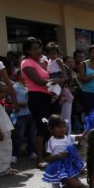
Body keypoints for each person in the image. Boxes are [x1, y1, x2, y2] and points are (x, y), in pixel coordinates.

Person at [21, 37, 61, 169]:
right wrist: (54, 81)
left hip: (50, 96)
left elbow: (57, 73)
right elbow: (38, 81)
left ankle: (49, 155)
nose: (37, 51)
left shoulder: (44, 60)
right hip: (37, 97)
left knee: (52, 127)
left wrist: (60, 79)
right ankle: (39, 159)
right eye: (33, 49)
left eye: (38, 47)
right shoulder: (26, 63)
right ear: (27, 50)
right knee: (42, 128)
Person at [41, 114, 85, 188]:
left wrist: (90, 125)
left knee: (81, 182)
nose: (62, 129)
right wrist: (59, 156)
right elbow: (46, 158)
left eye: (64, 126)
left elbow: (82, 136)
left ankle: (68, 179)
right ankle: (62, 179)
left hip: (70, 163)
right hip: (59, 166)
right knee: (76, 186)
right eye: (59, 127)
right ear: (51, 129)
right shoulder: (50, 141)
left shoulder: (69, 137)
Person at [0, 82, 19, 176]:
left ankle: (7, 167)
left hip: (6, 129)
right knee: (0, 150)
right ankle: (1, 169)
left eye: (4, 92)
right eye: (0, 92)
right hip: (0, 130)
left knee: (7, 148)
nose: (3, 94)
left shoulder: (0, 102)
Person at [11, 71, 36, 165]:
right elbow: (10, 99)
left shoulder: (31, 85)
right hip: (20, 114)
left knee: (31, 134)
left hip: (31, 113)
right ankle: (14, 154)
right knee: (19, 135)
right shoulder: (15, 87)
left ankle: (32, 151)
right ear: (18, 76)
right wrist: (18, 104)